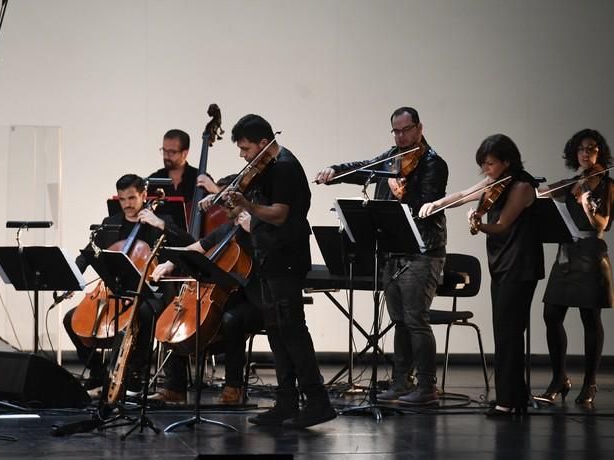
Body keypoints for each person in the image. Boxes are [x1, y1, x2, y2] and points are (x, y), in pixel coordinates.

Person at [315, 106, 447, 405]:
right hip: (392, 251)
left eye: (406, 130)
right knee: (400, 320)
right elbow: (363, 167)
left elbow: (427, 205)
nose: (401, 136)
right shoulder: (391, 157)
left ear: (419, 128)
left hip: (423, 251)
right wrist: (335, 171)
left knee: (415, 319)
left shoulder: (433, 164)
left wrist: (402, 193)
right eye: (396, 131)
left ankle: (427, 386)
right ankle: (402, 382)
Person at [221, 114, 336, 428]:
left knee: (293, 331)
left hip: (286, 255)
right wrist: (230, 202)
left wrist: (246, 204)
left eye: (245, 148)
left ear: (263, 143)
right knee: (276, 330)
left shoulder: (284, 166)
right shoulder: (265, 167)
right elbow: (249, 205)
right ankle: (286, 402)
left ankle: (317, 402)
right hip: (269, 257)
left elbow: (280, 214)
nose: (243, 156)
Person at [419, 134, 544, 416]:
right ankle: (515, 395)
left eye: (490, 164)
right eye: (483, 165)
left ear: (506, 162)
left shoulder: (523, 186)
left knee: (508, 332)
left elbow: (501, 226)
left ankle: (508, 402)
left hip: (520, 265)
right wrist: (437, 204)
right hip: (502, 264)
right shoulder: (494, 183)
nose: (486, 170)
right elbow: (464, 195)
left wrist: (477, 225)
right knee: (505, 330)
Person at [63, 173, 194, 393]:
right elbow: (88, 254)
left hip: (154, 293)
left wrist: (161, 224)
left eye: (132, 198)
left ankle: (134, 376)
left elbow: (189, 244)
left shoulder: (160, 222)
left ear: (144, 195)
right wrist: (73, 276)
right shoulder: (111, 224)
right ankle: (99, 372)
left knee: (142, 314)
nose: (126, 205)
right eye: (122, 199)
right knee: (70, 320)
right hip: (115, 291)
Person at [149, 210, 264, 405]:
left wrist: (253, 231)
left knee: (231, 319)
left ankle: (234, 387)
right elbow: (198, 247)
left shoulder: (261, 230)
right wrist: (170, 262)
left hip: (254, 300)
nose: (226, 207)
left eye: (230, 201)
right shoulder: (227, 229)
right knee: (177, 317)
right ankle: (174, 388)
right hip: (223, 296)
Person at [537, 129, 613, 405]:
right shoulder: (572, 182)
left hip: (591, 255)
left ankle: (590, 384)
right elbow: (541, 194)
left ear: (599, 153)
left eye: (591, 149)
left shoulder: (606, 184)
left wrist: (586, 203)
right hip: (567, 254)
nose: (586, 153)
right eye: (581, 149)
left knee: (590, 320)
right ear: (575, 153)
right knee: (551, 315)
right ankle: (560, 378)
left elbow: (602, 224)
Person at [148, 129, 219, 201]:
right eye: (164, 151)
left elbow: (220, 206)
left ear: (184, 153)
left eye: (172, 152)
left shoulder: (200, 178)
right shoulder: (154, 179)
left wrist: (215, 191)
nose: (166, 156)